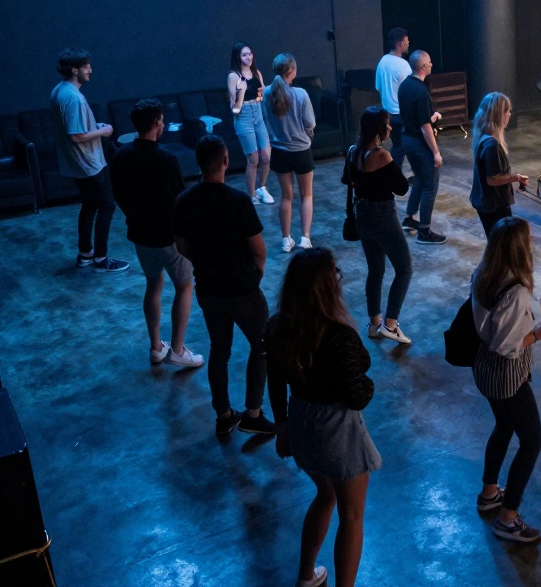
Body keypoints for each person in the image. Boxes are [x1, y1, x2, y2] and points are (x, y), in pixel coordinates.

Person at [267, 248, 379, 587]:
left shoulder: (278, 325)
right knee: (352, 514)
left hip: (300, 422)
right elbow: (357, 396)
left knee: (325, 495)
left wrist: (282, 426)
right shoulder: (338, 334)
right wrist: (370, 380)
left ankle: (306, 576)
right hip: (337, 433)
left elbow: (274, 380)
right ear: (328, 287)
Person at [173, 135, 275, 437]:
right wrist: (255, 274)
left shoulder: (184, 201)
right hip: (242, 288)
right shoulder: (238, 201)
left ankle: (224, 414)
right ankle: (253, 414)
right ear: (226, 161)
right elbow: (259, 250)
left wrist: (204, 261)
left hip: (208, 287)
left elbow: (181, 245)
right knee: (262, 346)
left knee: (220, 349)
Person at [471, 217, 541, 543]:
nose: (533, 243)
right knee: (532, 441)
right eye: (529, 239)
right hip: (506, 376)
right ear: (519, 248)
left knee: (505, 426)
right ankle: (508, 519)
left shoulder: (482, 274)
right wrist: (538, 335)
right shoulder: (516, 291)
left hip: (484, 369)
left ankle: (489, 493)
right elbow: (506, 347)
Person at [110, 99, 204, 369]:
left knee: (153, 284)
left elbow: (119, 194)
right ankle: (177, 349)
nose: (163, 124)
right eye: (161, 120)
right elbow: (179, 200)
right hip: (168, 238)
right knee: (184, 286)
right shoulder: (165, 159)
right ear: (155, 123)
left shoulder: (121, 155)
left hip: (140, 235)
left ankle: (156, 347)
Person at [50, 48, 129, 274]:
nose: (90, 70)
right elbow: (76, 136)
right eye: (86, 66)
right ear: (75, 69)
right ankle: (101, 259)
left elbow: (75, 129)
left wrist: (95, 127)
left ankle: (85, 254)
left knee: (90, 205)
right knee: (107, 205)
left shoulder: (59, 90)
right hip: (89, 163)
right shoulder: (73, 97)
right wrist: (104, 132)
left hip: (76, 163)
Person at [344, 107, 413, 346]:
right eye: (387, 124)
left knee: (376, 270)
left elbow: (349, 180)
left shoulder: (353, 151)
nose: (391, 128)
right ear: (378, 129)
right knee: (404, 269)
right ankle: (390, 325)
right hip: (383, 216)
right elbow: (402, 188)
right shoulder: (382, 155)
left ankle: (374, 324)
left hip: (362, 215)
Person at [262, 53, 316, 252]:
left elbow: (266, 121)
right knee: (306, 195)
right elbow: (310, 123)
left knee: (286, 195)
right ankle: (305, 238)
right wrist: (307, 135)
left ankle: (286, 239)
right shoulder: (300, 94)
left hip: (280, 152)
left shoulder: (267, 93)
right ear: (291, 71)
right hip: (301, 151)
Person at [397, 50, 446, 244]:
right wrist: (436, 153)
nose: (432, 65)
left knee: (419, 179)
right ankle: (424, 231)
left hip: (407, 140)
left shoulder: (405, 86)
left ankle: (409, 218)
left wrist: (431, 117)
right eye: (430, 62)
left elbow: (417, 117)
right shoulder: (421, 91)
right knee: (429, 187)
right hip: (420, 144)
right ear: (423, 67)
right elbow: (425, 128)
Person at [470, 92, 528, 237]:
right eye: (507, 111)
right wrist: (516, 177)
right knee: (501, 246)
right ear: (499, 115)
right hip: (493, 205)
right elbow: (493, 179)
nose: (509, 114)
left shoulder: (484, 137)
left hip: (486, 201)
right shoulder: (492, 145)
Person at [227, 42, 273, 205]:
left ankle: (262, 187)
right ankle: (252, 194)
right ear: (238, 57)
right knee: (253, 159)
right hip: (243, 118)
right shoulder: (233, 76)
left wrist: (260, 95)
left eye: (250, 53)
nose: (248, 57)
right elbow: (235, 109)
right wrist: (242, 93)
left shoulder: (256, 73)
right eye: (244, 54)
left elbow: (261, 97)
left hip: (258, 115)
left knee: (266, 156)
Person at [375, 27, 411, 172]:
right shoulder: (403, 65)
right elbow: (410, 91)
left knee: (398, 146)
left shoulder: (382, 62)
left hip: (388, 113)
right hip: (401, 113)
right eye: (406, 41)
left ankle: (394, 175)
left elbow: (378, 87)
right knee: (405, 146)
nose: (408, 44)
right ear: (399, 44)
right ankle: (395, 175)